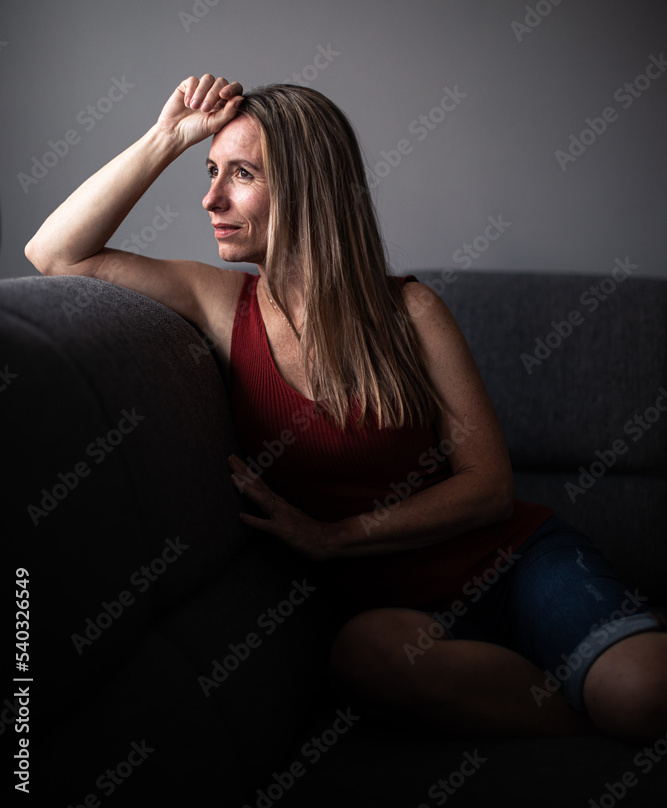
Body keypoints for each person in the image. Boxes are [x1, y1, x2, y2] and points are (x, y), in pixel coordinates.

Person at [25, 73, 667, 744]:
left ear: (307, 189)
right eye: (210, 171)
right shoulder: (219, 303)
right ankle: (594, 720)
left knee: (641, 696)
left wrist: (334, 537)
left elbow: (488, 488)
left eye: (240, 173)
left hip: (518, 564)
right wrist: (167, 138)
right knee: (364, 661)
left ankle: (614, 704)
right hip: (397, 612)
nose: (211, 198)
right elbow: (53, 253)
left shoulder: (411, 312)